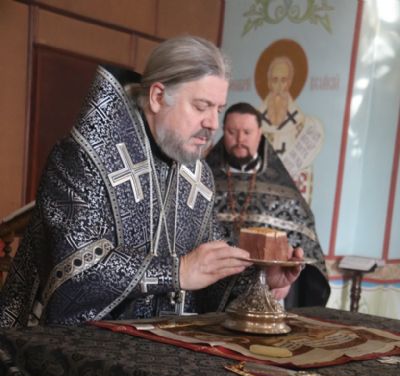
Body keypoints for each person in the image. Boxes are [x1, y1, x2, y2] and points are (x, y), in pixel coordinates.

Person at [0, 36, 302, 328]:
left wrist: (258, 279)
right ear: (158, 97)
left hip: (166, 345)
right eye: (201, 106)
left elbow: (207, 270)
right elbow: (73, 272)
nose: (213, 123)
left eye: (218, 109)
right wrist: (177, 271)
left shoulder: (196, 174)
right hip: (76, 349)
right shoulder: (84, 158)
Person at [206, 102, 330, 308]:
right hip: (212, 285)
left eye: (247, 132)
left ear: (260, 133)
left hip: (269, 290)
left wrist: (289, 278)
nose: (240, 139)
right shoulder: (205, 179)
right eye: (232, 132)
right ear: (223, 130)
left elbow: (304, 246)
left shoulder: (283, 188)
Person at [259, 55, 324, 205]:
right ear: (268, 83)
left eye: (283, 80)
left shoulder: (303, 124)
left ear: (289, 83)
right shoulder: (254, 123)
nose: (279, 87)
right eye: (275, 80)